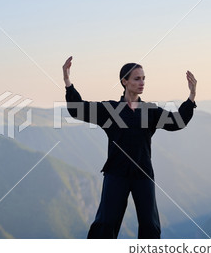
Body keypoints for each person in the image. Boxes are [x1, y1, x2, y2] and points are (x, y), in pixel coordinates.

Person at [62, 56, 197, 239]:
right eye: (136, 78)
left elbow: (177, 122)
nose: (142, 83)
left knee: (150, 225)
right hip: (116, 174)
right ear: (124, 81)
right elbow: (78, 109)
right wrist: (67, 81)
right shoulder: (110, 109)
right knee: (106, 223)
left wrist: (191, 96)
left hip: (143, 174)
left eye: (143, 78)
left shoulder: (151, 111)